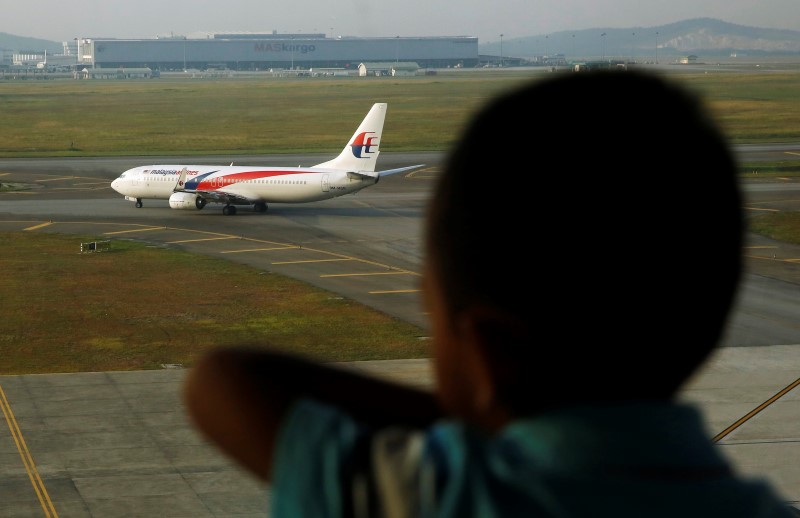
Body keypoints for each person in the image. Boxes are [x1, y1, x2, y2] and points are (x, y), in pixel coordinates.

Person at [183, 70, 796, 517]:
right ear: (706, 328)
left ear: (487, 351)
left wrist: (490, 425)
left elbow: (224, 379)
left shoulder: (442, 495)